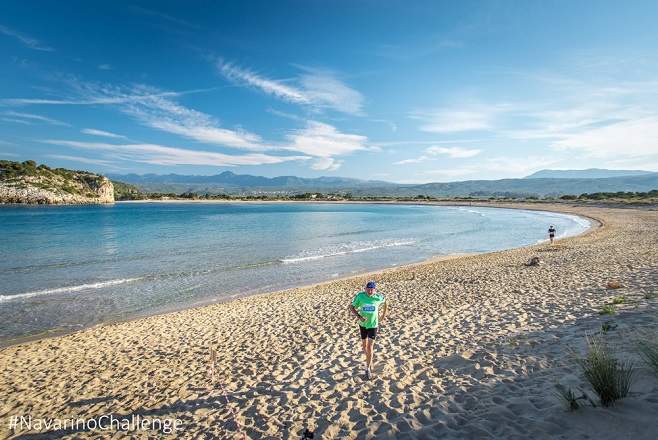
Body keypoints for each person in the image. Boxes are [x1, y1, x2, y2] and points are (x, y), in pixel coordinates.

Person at [349, 281, 389, 380]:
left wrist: (383, 315)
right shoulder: (360, 296)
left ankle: (367, 368)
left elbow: (386, 302)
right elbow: (352, 307)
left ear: (374, 290)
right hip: (362, 325)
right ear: (365, 289)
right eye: (368, 289)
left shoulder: (378, 297)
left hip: (373, 325)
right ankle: (369, 360)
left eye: (372, 290)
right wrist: (359, 317)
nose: (370, 291)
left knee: (370, 346)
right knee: (364, 347)